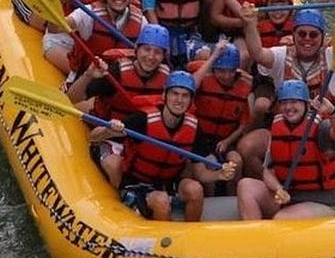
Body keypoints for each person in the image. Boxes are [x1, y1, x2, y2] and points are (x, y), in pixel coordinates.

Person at [90, 71, 237, 221]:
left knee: (195, 189)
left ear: (191, 100)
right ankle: (165, 239)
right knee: (161, 201)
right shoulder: (141, 120)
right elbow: (94, 136)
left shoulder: (194, 128)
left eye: (185, 95)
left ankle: (190, 234)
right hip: (136, 183)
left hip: (168, 183)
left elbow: (200, 174)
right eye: (174, 93)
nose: (179, 100)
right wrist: (109, 130)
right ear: (165, 95)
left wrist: (218, 175)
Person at [236, 4, 335, 178]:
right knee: (246, 147)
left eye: (313, 34)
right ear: (294, 35)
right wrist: (249, 23)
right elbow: (258, 54)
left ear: (322, 37)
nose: (307, 39)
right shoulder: (282, 55)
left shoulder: (332, 59)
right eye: (301, 34)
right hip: (284, 128)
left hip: (319, 134)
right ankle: (269, 184)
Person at [67, 24, 171, 187]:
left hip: (141, 140)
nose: (151, 57)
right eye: (147, 50)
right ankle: (119, 199)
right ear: (136, 50)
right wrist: (88, 75)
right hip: (109, 134)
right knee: (115, 165)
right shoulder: (116, 73)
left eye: (157, 52)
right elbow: (72, 98)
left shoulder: (168, 80)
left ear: (164, 55)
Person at [237, 79, 335, 220]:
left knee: (282, 217)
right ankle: (255, 235)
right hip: (289, 196)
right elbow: (268, 171)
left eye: (294, 102)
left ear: (306, 104)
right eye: (284, 103)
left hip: (322, 200)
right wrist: (278, 189)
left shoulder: (319, 127)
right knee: (245, 186)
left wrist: (332, 112)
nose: (289, 107)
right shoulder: (278, 126)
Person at [45, 0, 144, 76]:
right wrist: (55, 4)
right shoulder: (88, 13)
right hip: (86, 75)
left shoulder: (141, 21)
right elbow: (54, 29)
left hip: (117, 79)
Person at [190, 41, 249, 195]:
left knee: (236, 161)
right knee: (210, 163)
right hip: (202, 141)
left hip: (225, 140)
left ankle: (233, 196)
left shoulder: (243, 87)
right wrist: (214, 56)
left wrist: (227, 141)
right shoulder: (204, 80)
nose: (226, 76)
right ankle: (209, 197)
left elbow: (243, 124)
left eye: (230, 71)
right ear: (214, 68)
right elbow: (191, 85)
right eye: (221, 71)